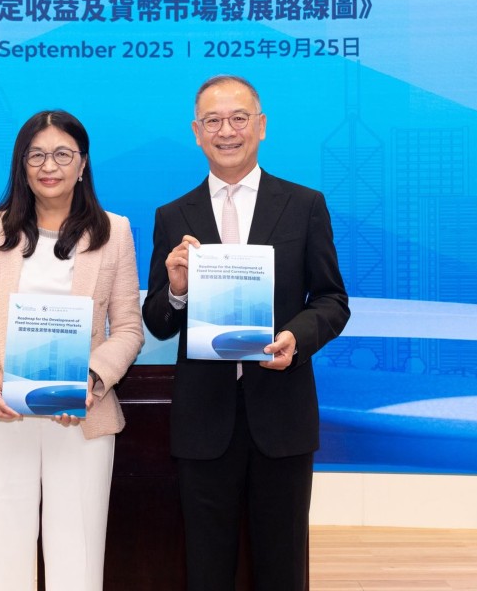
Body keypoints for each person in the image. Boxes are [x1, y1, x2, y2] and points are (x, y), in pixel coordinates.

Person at [142, 75, 350, 591]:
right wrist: (176, 290)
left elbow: (332, 300)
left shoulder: (304, 205)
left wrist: (296, 339)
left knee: (282, 565)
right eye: (213, 120)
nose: (226, 131)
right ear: (196, 132)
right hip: (203, 419)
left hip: (282, 412)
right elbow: (157, 322)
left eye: (239, 118)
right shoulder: (172, 216)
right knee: (206, 566)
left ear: (261, 126)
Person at [0, 110, 144, 591]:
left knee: (76, 556)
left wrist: (91, 379)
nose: (48, 166)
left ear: (83, 163)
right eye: (35, 155)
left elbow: (129, 329)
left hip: (79, 416)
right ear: (21, 164)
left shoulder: (114, 232)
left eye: (62, 154)